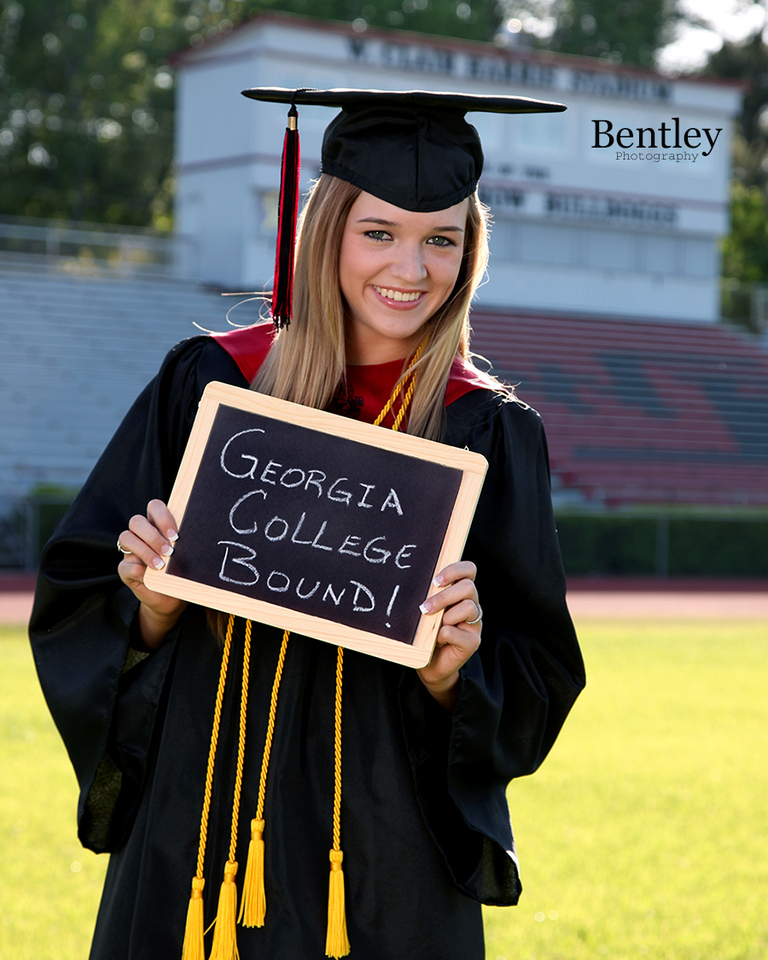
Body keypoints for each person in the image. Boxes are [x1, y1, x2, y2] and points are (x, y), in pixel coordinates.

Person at [29, 88, 585, 960]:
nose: (412, 267)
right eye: (380, 232)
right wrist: (150, 605)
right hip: (200, 814)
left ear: (469, 252)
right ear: (325, 231)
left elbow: (538, 669)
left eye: (441, 238)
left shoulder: (486, 428)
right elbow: (79, 595)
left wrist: (454, 675)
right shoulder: (213, 382)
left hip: (384, 838)